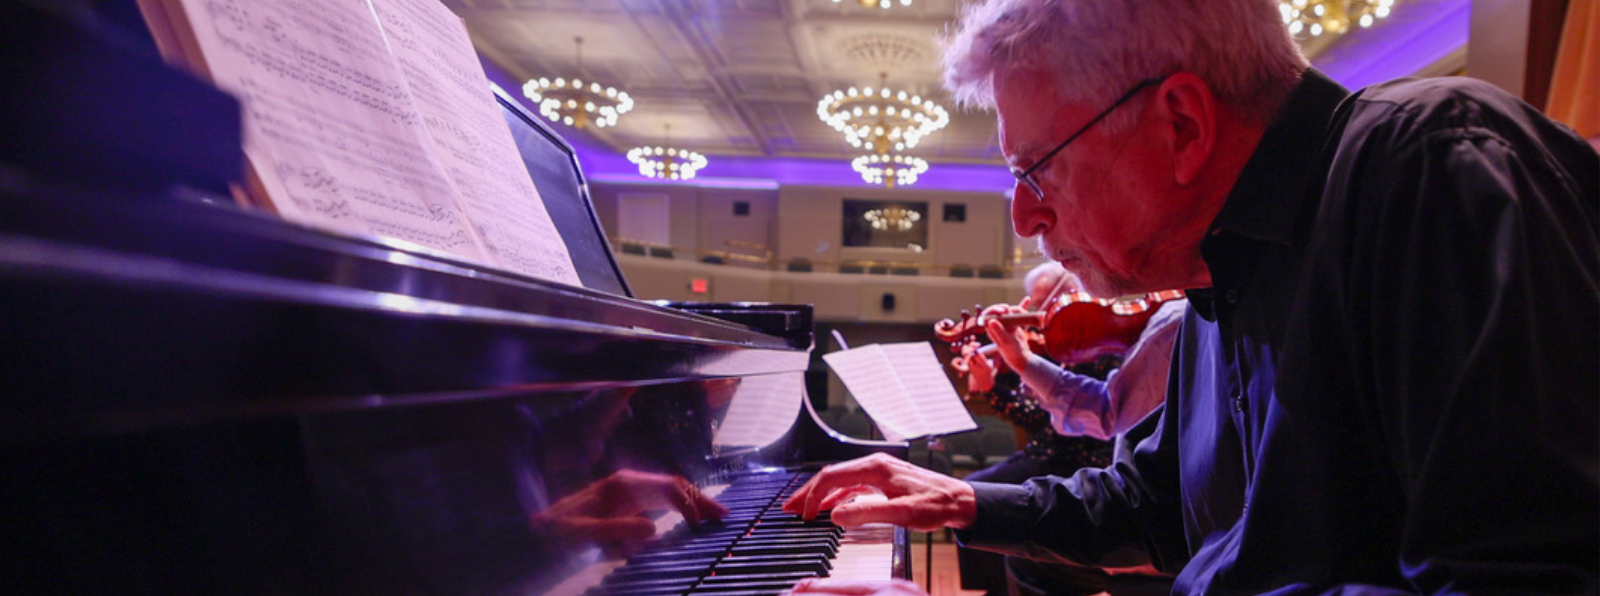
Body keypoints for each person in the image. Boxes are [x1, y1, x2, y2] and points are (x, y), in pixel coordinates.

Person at [781, 0, 1600, 594]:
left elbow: (1518, 579)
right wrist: (961, 499)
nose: (1025, 215)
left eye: (1037, 168)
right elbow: (1156, 505)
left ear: (1181, 125)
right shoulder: (1214, 271)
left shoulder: (1430, 169)